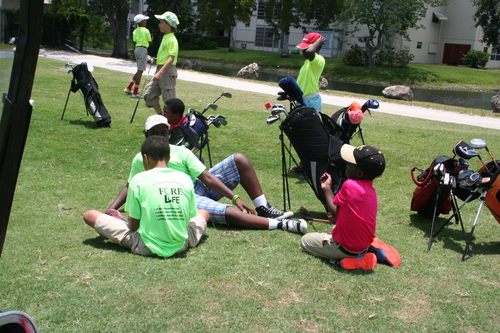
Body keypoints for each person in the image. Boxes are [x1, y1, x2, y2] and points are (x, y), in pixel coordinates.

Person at [108, 114, 308, 234]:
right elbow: (130, 185)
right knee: (228, 212)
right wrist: (110, 210)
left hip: (196, 186)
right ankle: (282, 225)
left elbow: (207, 177)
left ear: (170, 134)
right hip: (183, 197)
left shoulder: (181, 152)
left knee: (239, 159)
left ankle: (263, 207)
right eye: (155, 133)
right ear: (146, 136)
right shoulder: (141, 158)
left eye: (164, 132)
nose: (161, 136)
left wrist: (236, 196)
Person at [83, 135, 209, 257]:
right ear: (169, 158)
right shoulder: (185, 179)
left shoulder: (138, 180)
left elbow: (134, 226)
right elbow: (188, 218)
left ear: (145, 158)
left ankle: (118, 219)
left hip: (146, 245)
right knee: (204, 212)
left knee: (90, 215)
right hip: (181, 244)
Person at [299, 144, 386, 270]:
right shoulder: (371, 191)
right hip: (363, 246)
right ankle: (362, 255)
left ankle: (341, 261)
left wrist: (327, 189)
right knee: (336, 229)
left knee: (305, 241)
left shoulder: (350, 185)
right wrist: (338, 218)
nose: (346, 166)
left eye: (350, 165)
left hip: (345, 248)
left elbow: (335, 214)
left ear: (359, 173)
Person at [144, 11, 179, 115]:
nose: (159, 25)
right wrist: (157, 60)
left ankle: (175, 124)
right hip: (160, 68)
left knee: (169, 101)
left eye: (161, 23)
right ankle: (162, 116)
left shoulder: (172, 39)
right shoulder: (165, 37)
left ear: (168, 25)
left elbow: (171, 59)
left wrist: (160, 73)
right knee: (149, 94)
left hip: (167, 71)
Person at [295, 32, 326, 114]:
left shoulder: (319, 60)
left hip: (311, 101)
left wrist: (319, 42)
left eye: (305, 49)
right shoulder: (307, 63)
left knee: (309, 126)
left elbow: (309, 52)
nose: (303, 51)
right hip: (302, 100)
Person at [124, 14, 152, 99]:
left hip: (137, 49)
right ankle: (135, 92)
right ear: (141, 22)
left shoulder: (135, 31)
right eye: (144, 20)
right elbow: (150, 41)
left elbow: (134, 42)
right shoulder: (146, 30)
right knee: (140, 71)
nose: (146, 21)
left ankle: (129, 87)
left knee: (138, 70)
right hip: (143, 49)